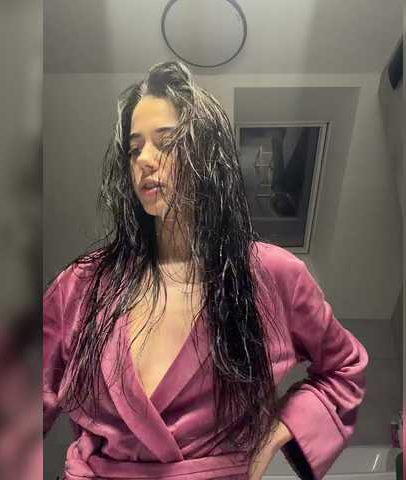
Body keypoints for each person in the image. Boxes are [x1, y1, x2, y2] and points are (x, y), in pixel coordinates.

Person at [43, 61, 368, 480]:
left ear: (206, 154)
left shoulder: (270, 275)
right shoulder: (82, 284)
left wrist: (276, 434)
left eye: (166, 142)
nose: (145, 160)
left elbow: (344, 369)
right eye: (134, 148)